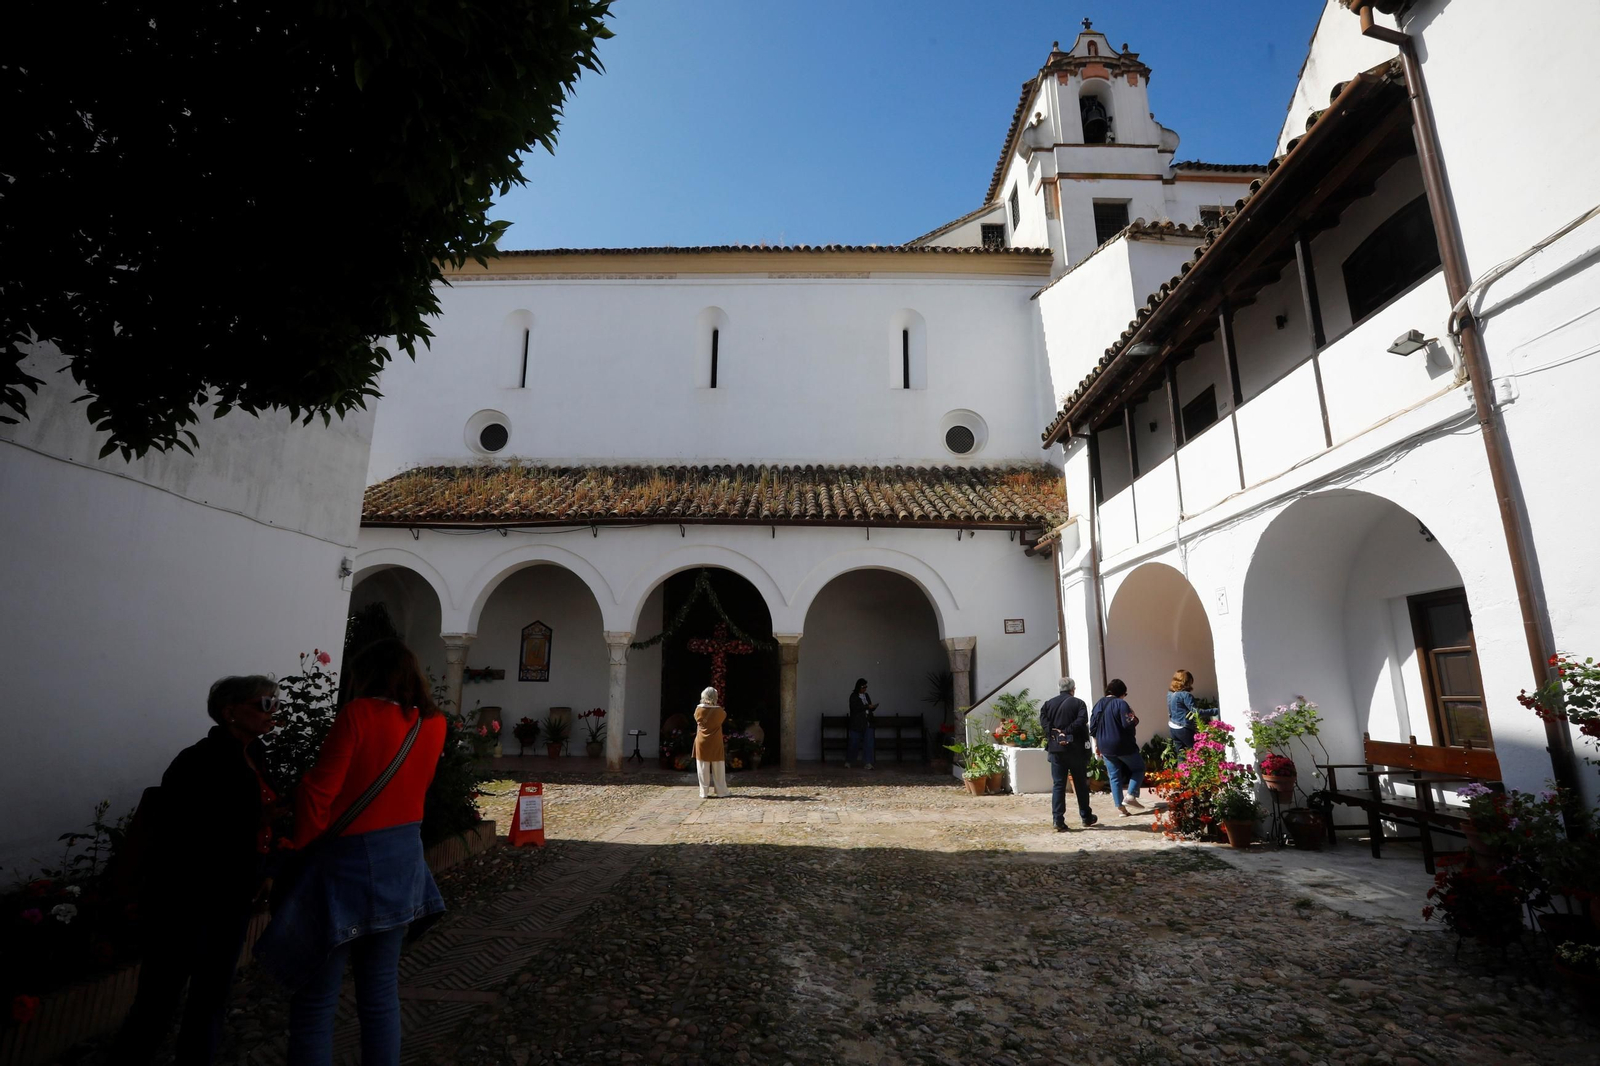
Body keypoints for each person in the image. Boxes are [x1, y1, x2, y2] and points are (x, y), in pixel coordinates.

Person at [258, 639, 448, 1066]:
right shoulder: (432, 723)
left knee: (316, 999)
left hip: (346, 864)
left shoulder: (359, 714)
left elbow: (318, 792)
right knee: (380, 993)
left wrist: (301, 843)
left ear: (367, 674)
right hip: (403, 859)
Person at [112, 675, 282, 1065]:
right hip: (186, 900)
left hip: (233, 897)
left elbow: (264, 823)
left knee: (210, 999)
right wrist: (255, 822)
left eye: (276, 703)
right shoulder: (199, 760)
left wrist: (267, 866)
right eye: (265, 704)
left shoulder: (256, 755)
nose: (274, 712)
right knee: (158, 1001)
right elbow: (185, 834)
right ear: (230, 712)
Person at [1038, 677, 1099, 832]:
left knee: (1058, 785)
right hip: (1075, 750)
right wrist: (1067, 732)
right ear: (1073, 689)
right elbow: (1082, 721)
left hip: (1056, 750)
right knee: (1080, 785)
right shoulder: (1078, 703)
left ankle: (1058, 819)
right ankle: (1086, 816)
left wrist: (1056, 733)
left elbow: (1044, 723)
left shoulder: (1048, 704)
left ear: (1059, 688)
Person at [1089, 678, 1146, 817]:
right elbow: (1128, 724)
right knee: (1139, 768)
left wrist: (1097, 745)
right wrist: (1134, 718)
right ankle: (1131, 795)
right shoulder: (1121, 704)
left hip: (1104, 745)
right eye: (1125, 694)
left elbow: (1093, 728)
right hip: (1122, 744)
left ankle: (1121, 808)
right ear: (1121, 692)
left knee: (1114, 776)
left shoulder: (1098, 705)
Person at [694, 686, 730, 798]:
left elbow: (697, 719)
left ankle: (703, 792)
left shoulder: (698, 710)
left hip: (701, 741)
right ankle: (721, 792)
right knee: (718, 766)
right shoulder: (720, 711)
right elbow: (723, 717)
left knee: (702, 767)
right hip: (715, 741)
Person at [845, 677, 878, 769]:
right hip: (857, 723)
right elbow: (855, 708)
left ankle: (868, 762)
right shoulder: (854, 696)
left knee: (869, 742)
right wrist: (867, 706)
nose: (865, 689)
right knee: (854, 742)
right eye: (863, 687)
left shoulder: (866, 695)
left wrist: (872, 707)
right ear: (859, 687)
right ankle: (849, 761)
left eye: (866, 687)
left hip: (867, 721)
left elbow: (868, 706)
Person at [1167, 670, 1199, 753]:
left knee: (1181, 754)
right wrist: (1215, 711)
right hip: (1184, 728)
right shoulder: (1186, 695)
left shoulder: (1170, 694)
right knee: (1199, 752)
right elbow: (1196, 712)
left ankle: (1181, 766)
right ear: (1187, 681)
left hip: (1173, 727)